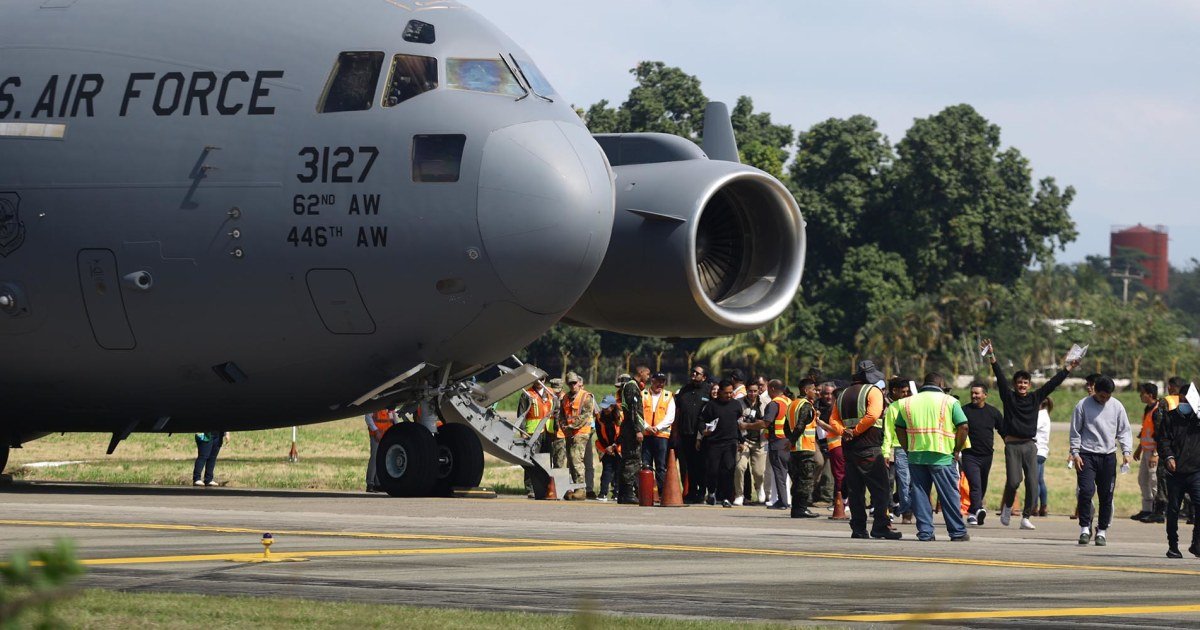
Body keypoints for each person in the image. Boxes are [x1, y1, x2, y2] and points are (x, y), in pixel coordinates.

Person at [982, 338, 1079, 528]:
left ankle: (1026, 517)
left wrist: (1068, 369)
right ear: (1015, 384)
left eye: (1025, 383)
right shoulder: (1008, 397)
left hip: (1030, 445)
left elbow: (1053, 383)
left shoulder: (1035, 398)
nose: (1022, 385)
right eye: (1019, 383)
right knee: (1013, 481)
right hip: (1012, 446)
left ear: (1029, 384)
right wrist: (992, 356)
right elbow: (1000, 377)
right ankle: (1008, 507)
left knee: (1033, 483)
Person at [893, 373, 969, 542]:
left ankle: (925, 533)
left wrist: (907, 448)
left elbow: (899, 428)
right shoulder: (949, 401)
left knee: (920, 496)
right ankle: (957, 532)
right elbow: (963, 426)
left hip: (916, 456)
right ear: (941, 383)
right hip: (942, 456)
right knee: (949, 496)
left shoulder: (907, 402)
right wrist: (957, 449)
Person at [830, 361, 900, 540]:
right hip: (869, 448)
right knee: (881, 490)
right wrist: (855, 431)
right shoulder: (873, 391)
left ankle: (859, 529)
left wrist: (844, 432)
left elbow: (833, 420)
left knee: (855, 491)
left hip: (849, 449)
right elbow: (873, 415)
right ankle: (880, 527)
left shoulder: (843, 394)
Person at [1069, 375, 1133, 546]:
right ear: (1095, 391)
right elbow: (1075, 431)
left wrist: (1126, 451)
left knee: (1106, 495)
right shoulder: (1082, 405)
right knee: (1086, 491)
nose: (1104, 399)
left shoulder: (1117, 406)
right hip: (1086, 456)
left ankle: (1102, 531)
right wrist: (1075, 453)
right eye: (1101, 396)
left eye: (1108, 396)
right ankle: (1084, 528)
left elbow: (1124, 431)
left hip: (1108, 456)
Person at [1157, 383, 1200, 558]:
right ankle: (1173, 545)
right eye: (1183, 399)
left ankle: (1196, 544)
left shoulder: (1198, 419)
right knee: (1173, 509)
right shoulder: (1170, 418)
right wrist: (1169, 457)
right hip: (1175, 473)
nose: (1186, 402)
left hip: (1196, 471)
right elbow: (1163, 441)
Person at [961, 382, 1003, 526]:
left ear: (985, 395)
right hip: (969, 455)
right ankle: (974, 512)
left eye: (977, 393)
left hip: (987, 456)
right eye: (972, 393)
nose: (974, 396)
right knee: (975, 484)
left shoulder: (993, 412)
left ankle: (976, 510)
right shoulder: (964, 410)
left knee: (982, 484)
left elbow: (1003, 431)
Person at [698, 380, 744, 507]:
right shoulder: (711, 406)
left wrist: (741, 440)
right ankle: (712, 493)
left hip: (731, 442)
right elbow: (701, 421)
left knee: (728, 470)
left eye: (731, 393)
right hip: (714, 443)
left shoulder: (736, 405)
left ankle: (726, 498)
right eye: (726, 393)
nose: (729, 395)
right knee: (713, 470)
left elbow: (739, 425)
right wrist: (704, 431)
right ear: (719, 393)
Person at [783, 378, 820, 518]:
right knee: (805, 480)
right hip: (805, 448)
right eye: (814, 390)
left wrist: (790, 440)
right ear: (806, 390)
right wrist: (792, 440)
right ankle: (802, 508)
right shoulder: (806, 406)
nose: (816, 392)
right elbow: (800, 425)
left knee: (797, 479)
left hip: (794, 450)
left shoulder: (792, 404)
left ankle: (796, 509)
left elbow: (786, 426)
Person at [674, 365, 710, 504]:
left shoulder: (708, 391)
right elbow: (678, 412)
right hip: (685, 433)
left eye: (698, 373)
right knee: (688, 466)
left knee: (702, 465)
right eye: (693, 372)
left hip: (701, 436)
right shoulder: (684, 390)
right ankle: (691, 492)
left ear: (704, 377)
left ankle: (702, 492)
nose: (694, 374)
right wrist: (676, 432)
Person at [881, 378, 914, 525]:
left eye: (908, 392)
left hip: (913, 448)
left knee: (909, 483)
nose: (906, 394)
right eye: (903, 392)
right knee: (894, 482)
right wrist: (886, 452)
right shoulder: (892, 408)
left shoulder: (913, 406)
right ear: (895, 391)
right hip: (896, 448)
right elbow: (888, 431)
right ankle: (897, 510)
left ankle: (906, 511)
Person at [560, 372, 596, 501]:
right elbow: (562, 415)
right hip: (569, 433)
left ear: (579, 383)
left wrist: (572, 426)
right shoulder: (564, 398)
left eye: (574, 383)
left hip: (581, 432)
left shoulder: (586, 397)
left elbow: (586, 415)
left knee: (576, 459)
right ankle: (575, 487)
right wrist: (564, 426)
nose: (572, 385)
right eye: (570, 383)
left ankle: (581, 489)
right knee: (570, 461)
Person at [814, 381, 847, 520]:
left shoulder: (838, 410)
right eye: (826, 394)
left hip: (837, 446)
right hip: (832, 446)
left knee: (839, 475)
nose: (829, 398)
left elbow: (839, 430)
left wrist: (820, 422)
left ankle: (841, 503)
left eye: (832, 395)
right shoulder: (831, 409)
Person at [617, 367, 649, 504]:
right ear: (640, 373)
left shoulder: (631, 386)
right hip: (631, 430)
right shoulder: (632, 387)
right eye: (647, 374)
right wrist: (638, 430)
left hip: (629, 428)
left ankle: (623, 494)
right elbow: (633, 410)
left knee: (627, 460)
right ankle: (628, 493)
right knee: (632, 460)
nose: (648, 377)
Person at [516, 381, 554, 497]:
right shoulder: (527, 393)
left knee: (547, 460)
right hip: (532, 432)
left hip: (548, 431)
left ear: (545, 380)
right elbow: (521, 413)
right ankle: (530, 488)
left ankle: (546, 487)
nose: (539, 382)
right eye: (537, 379)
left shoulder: (550, 392)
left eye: (542, 379)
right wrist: (522, 431)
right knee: (531, 459)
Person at [641, 372, 676, 499]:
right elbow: (639, 414)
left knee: (661, 466)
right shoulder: (643, 394)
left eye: (663, 381)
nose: (660, 384)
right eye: (658, 381)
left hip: (661, 436)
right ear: (652, 381)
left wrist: (657, 428)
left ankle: (662, 494)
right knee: (646, 465)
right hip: (646, 435)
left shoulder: (668, 396)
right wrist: (646, 427)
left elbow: (670, 417)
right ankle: (646, 494)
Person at [733, 380, 768, 506]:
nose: (752, 394)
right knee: (740, 467)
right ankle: (739, 494)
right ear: (746, 390)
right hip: (744, 441)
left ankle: (759, 488)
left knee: (758, 471)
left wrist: (748, 425)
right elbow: (736, 424)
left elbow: (765, 423)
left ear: (759, 391)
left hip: (760, 441)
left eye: (755, 391)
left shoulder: (766, 403)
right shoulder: (738, 403)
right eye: (750, 391)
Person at [1132, 382, 1160, 522]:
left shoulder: (1158, 410)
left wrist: (1156, 454)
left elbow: (1161, 434)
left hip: (1154, 453)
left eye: (1142, 393)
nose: (1140, 395)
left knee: (1154, 481)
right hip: (1146, 451)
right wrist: (1139, 449)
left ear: (1150, 395)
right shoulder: (1147, 409)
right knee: (1143, 480)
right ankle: (1147, 509)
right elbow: (1146, 431)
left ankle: (1158, 510)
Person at [595, 402, 622, 502]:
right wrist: (607, 448)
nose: (605, 410)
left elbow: (622, 433)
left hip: (618, 447)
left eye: (607, 408)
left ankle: (617, 493)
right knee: (607, 470)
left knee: (619, 471)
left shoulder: (621, 417)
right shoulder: (599, 417)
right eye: (603, 408)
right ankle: (603, 493)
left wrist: (614, 446)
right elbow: (599, 433)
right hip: (605, 447)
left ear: (612, 407)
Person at [365, 408, 395, 493]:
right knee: (375, 458)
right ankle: (370, 483)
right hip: (376, 435)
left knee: (382, 459)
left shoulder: (389, 406)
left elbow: (393, 420)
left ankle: (378, 484)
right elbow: (368, 417)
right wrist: (376, 431)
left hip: (386, 435)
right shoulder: (375, 404)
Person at [1035, 398, 1053, 517]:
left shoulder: (1039, 416)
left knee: (1034, 480)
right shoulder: (1045, 415)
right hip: (1042, 451)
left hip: (1036, 450)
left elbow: (1031, 429)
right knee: (1040, 480)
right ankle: (1044, 507)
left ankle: (1034, 506)